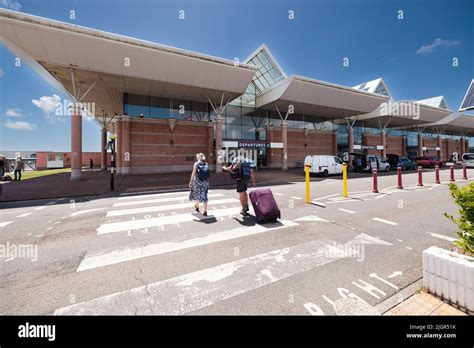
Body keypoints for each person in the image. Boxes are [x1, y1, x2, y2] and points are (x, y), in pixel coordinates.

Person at [222, 148, 256, 216]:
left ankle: (243, 209)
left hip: (239, 178)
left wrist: (224, 168)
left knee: (241, 193)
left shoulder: (236, 159)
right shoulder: (248, 160)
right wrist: (254, 182)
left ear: (239, 153)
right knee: (244, 191)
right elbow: (251, 171)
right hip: (246, 178)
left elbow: (231, 168)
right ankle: (246, 205)